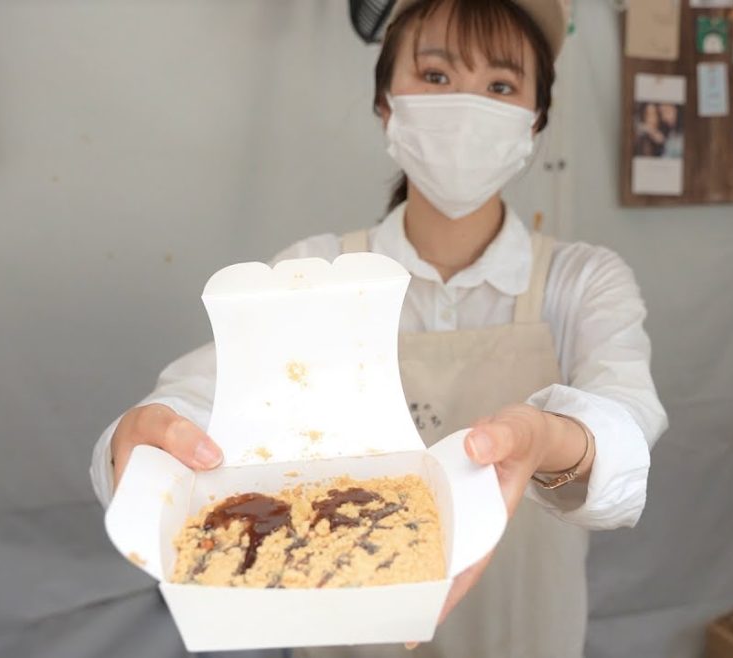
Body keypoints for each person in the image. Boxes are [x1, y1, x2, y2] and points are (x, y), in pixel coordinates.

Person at [90, 0, 667, 656]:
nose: (466, 107)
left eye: (501, 86)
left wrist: (545, 438)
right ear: (386, 102)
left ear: (535, 121)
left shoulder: (582, 282)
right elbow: (200, 401)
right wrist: (147, 438)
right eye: (437, 75)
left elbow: (626, 426)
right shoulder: (315, 273)